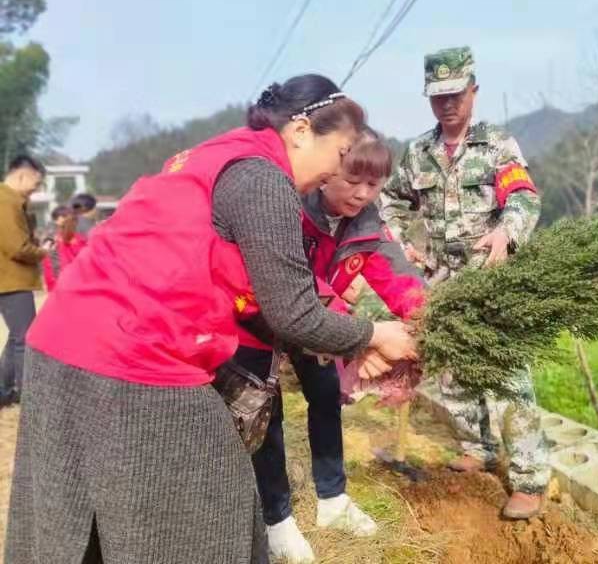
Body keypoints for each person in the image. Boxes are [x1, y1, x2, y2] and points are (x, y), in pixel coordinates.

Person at [6, 74, 417, 564]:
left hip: (63, 345)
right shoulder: (264, 178)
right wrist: (373, 334)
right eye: (341, 151)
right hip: (130, 355)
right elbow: (295, 312)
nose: (335, 171)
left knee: (87, 515)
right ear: (303, 130)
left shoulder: (216, 154)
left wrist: (357, 340)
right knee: (212, 501)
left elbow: (276, 293)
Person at [232, 129, 425, 563]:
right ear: (326, 172)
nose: (363, 193)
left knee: (324, 398)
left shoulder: (367, 223)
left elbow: (398, 277)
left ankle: (333, 499)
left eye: (374, 185)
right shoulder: (289, 207)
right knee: (267, 415)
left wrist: (424, 319)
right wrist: (355, 334)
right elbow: (293, 282)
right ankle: (277, 519)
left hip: (320, 323)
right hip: (260, 318)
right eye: (352, 180)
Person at [380, 46, 551, 520]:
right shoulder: (418, 154)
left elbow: (523, 198)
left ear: (473, 90)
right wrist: (400, 245)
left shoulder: (497, 145)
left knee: (508, 378)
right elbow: (389, 204)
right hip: (443, 283)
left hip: (492, 282)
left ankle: (530, 480)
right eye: (438, 96)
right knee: (455, 372)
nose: (448, 104)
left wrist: (507, 232)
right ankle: (478, 447)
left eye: (456, 94)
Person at [0, 155, 47, 407]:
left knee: (17, 337)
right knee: (26, 338)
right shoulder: (6, 201)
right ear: (22, 175)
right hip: (11, 279)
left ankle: (5, 388)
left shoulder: (13, 201)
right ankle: (29, 396)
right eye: (35, 184)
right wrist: (42, 252)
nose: (35, 189)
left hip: (10, 279)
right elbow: (17, 247)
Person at [41, 205, 87, 292]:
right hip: (65, 280)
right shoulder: (51, 237)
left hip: (70, 279)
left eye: (66, 216)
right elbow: (48, 261)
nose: (66, 219)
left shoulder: (78, 238)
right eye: (62, 217)